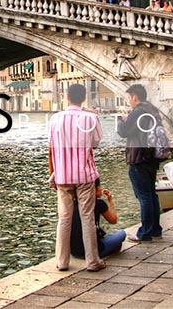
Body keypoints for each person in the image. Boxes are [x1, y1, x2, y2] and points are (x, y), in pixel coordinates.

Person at [48, 84, 105, 272]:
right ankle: (93, 262)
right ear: (84, 98)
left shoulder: (55, 119)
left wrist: (52, 173)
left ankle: (62, 262)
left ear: (67, 97)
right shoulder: (90, 118)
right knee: (87, 218)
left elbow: (51, 148)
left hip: (63, 175)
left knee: (64, 218)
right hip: (84, 174)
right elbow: (95, 144)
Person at [116, 84, 164, 243]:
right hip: (151, 158)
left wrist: (120, 120)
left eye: (129, 98)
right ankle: (155, 229)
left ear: (134, 97)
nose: (129, 101)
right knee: (151, 194)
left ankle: (145, 232)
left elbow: (123, 131)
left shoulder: (137, 112)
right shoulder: (153, 110)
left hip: (138, 158)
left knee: (144, 197)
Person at [70, 178, 126, 260]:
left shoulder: (73, 203)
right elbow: (114, 220)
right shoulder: (99, 203)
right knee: (121, 233)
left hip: (74, 252)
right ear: (94, 188)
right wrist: (110, 200)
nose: (101, 188)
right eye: (99, 186)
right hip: (94, 251)